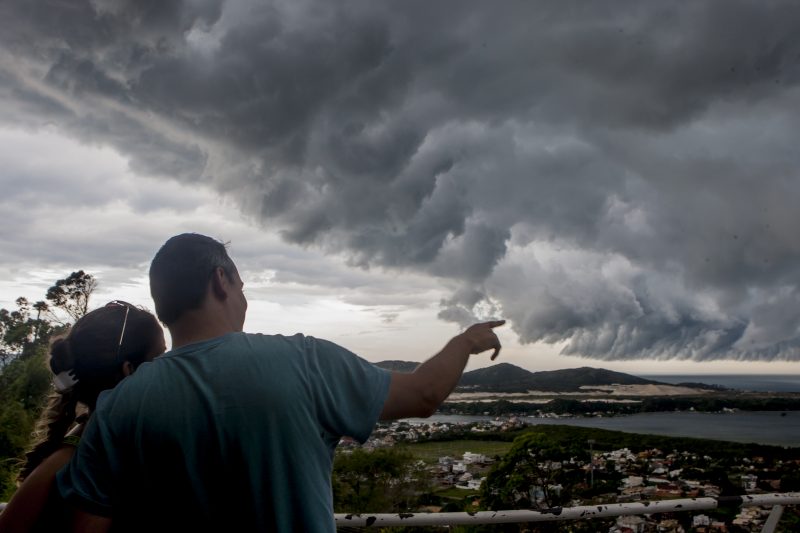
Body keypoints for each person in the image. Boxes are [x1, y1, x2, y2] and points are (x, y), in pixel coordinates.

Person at [58, 233, 504, 532]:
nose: (243, 296)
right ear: (221, 281)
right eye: (242, 284)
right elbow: (424, 394)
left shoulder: (118, 406)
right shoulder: (304, 360)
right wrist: (465, 342)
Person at [0, 302, 165, 532]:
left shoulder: (82, 446)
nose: (167, 368)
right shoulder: (75, 459)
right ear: (130, 370)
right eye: (160, 357)